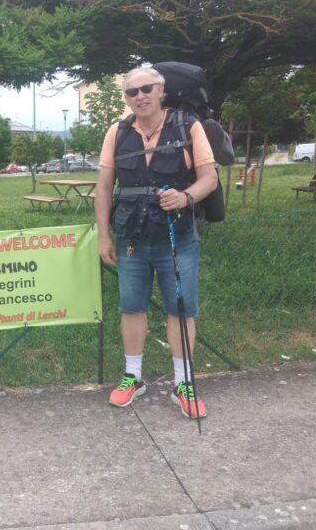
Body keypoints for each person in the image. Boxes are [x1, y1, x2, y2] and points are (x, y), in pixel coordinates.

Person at [94, 66, 218, 419]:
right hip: (131, 238)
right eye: (132, 92)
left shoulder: (187, 126)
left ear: (161, 91)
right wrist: (104, 235)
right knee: (131, 307)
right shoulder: (117, 133)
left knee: (181, 309)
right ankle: (133, 377)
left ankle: (184, 383)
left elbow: (209, 178)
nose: (139, 96)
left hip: (177, 237)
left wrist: (186, 197)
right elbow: (103, 188)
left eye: (146, 89)